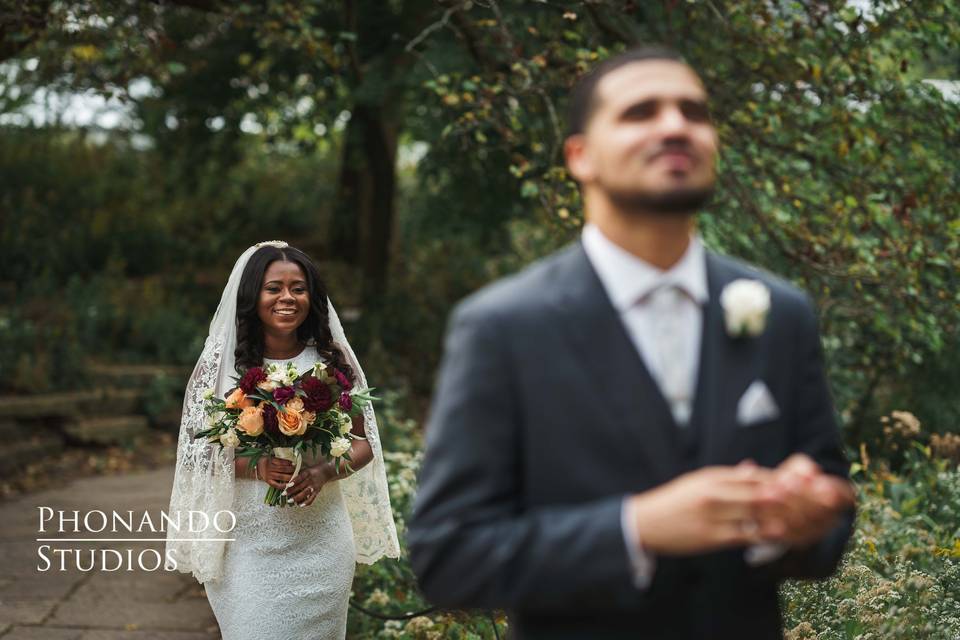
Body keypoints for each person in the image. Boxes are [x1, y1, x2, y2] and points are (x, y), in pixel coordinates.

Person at [407, 46, 856, 639]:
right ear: (580, 156)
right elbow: (448, 555)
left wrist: (803, 520)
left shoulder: (782, 312)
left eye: (694, 112)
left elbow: (830, 519)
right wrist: (635, 529)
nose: (675, 126)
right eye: (641, 112)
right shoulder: (503, 327)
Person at [166, 241, 400, 640]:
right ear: (252, 295)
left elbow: (364, 444)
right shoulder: (222, 367)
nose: (287, 298)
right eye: (274, 288)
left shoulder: (331, 364)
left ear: (313, 296)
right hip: (247, 544)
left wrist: (325, 470)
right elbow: (197, 455)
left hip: (321, 541)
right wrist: (254, 466)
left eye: (299, 288)